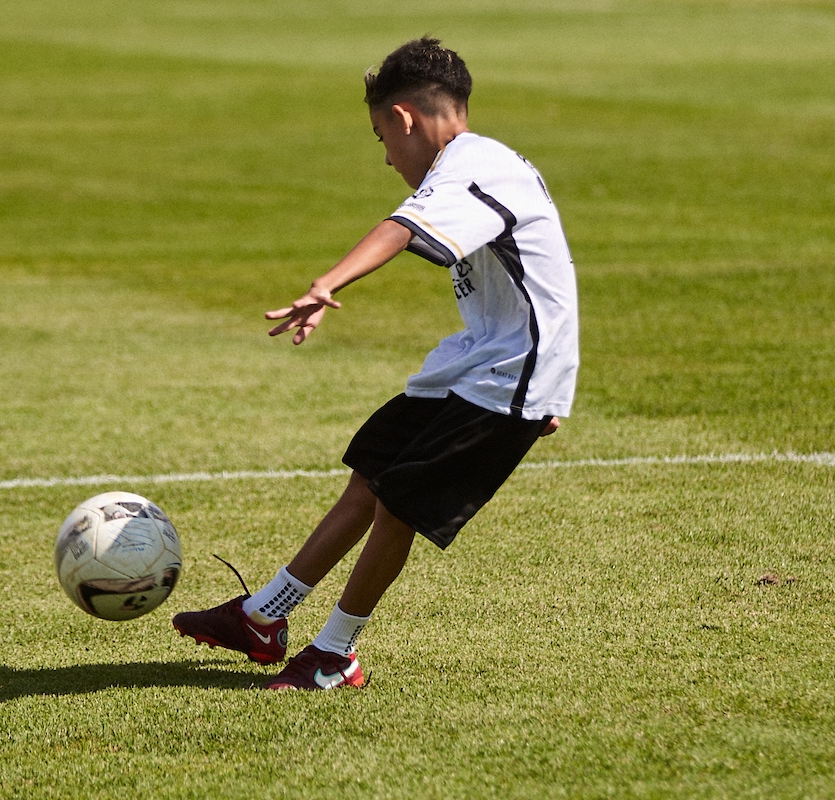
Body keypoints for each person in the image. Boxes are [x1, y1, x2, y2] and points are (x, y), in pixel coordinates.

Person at [173, 37, 579, 690]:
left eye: (380, 138)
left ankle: (335, 653)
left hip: (508, 374)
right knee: (371, 474)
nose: (388, 158)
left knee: (396, 502)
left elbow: (401, 228)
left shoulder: (474, 167)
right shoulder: (477, 166)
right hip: (479, 363)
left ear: (404, 119)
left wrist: (327, 282)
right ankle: (262, 618)